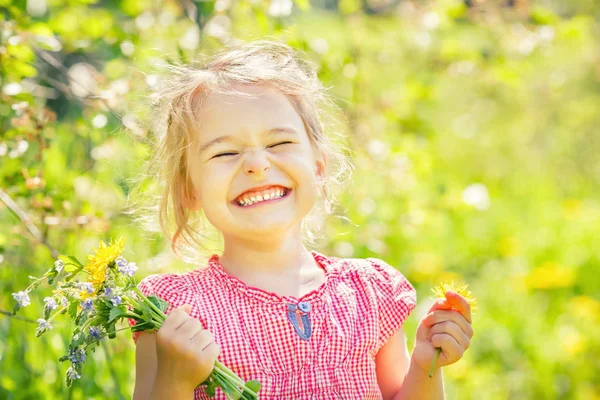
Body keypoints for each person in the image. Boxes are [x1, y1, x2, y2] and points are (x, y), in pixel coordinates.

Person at [127, 40, 474, 400]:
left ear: (319, 165)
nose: (257, 164)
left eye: (279, 144)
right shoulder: (174, 312)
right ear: (189, 189)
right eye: (226, 152)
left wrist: (423, 366)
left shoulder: (370, 294)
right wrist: (175, 381)